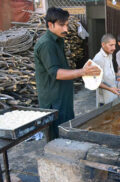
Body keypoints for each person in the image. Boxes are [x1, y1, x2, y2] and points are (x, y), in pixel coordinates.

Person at [34, 7, 101, 139]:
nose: (66, 29)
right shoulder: (47, 44)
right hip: (54, 99)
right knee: (57, 135)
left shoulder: (58, 41)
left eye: (66, 25)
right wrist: (82, 71)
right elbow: (56, 73)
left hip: (63, 96)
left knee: (67, 129)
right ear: (50, 24)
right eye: (61, 25)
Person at [93, 34, 120, 106]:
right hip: (104, 98)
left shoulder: (109, 54)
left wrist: (115, 74)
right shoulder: (98, 59)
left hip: (112, 92)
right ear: (103, 44)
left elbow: (107, 71)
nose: (114, 48)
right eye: (111, 45)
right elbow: (95, 82)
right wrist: (110, 89)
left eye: (114, 45)